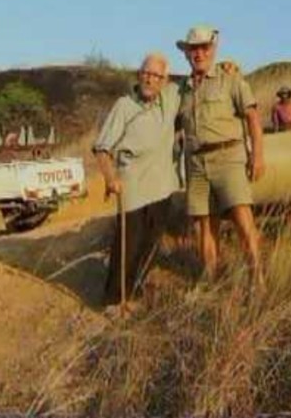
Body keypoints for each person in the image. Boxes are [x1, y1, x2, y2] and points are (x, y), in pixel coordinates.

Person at [175, 25, 265, 289]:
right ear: (187, 54)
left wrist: (257, 155)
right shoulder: (181, 88)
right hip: (196, 163)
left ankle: (257, 280)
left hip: (228, 157)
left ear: (213, 50)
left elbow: (252, 117)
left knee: (242, 218)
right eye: (193, 49)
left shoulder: (231, 79)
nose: (199, 53)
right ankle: (210, 278)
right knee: (204, 223)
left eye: (204, 48)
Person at [93, 52, 181, 314]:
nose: (149, 79)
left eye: (155, 75)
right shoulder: (124, 105)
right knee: (127, 246)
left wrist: (227, 68)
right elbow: (101, 148)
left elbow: (198, 80)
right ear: (139, 74)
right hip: (131, 187)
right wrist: (110, 178)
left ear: (165, 80)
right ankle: (113, 301)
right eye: (145, 73)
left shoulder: (171, 98)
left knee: (150, 245)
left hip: (162, 187)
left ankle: (134, 292)